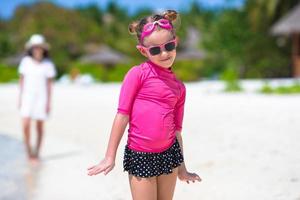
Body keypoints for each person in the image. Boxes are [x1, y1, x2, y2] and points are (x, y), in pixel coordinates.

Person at [87, 10, 201, 200]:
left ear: (176, 42)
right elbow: (122, 116)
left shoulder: (179, 87)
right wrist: (109, 157)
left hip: (169, 154)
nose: (164, 53)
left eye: (169, 46)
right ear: (143, 51)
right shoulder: (137, 74)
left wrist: (182, 168)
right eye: (155, 50)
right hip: (141, 155)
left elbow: (176, 133)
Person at [18, 34, 56, 163]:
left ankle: (37, 153)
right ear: (31, 49)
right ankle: (29, 151)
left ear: (43, 49)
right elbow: (22, 81)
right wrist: (20, 98)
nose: (36, 50)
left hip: (42, 97)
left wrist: (49, 103)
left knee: (39, 126)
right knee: (26, 125)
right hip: (27, 97)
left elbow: (50, 85)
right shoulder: (25, 62)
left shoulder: (48, 64)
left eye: (39, 47)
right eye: (34, 47)